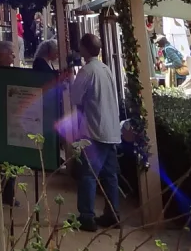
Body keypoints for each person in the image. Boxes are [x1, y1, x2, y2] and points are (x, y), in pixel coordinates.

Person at [69, 32, 122, 232]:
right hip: (111, 130)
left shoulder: (86, 71)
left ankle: (87, 217)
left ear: (84, 49)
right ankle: (113, 213)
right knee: (110, 176)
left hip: (93, 130)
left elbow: (75, 98)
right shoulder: (106, 69)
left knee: (88, 175)